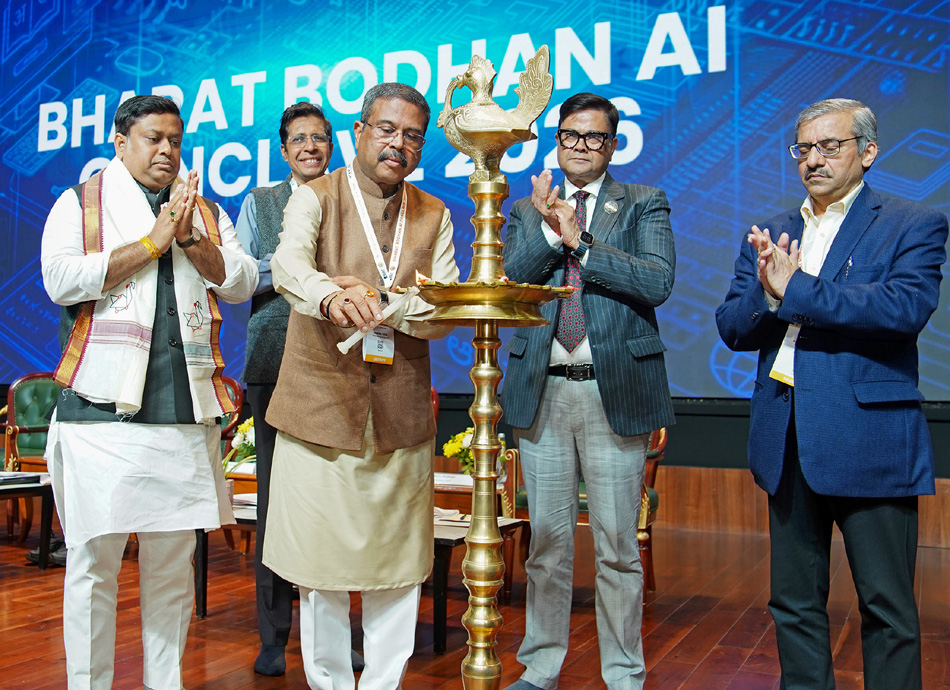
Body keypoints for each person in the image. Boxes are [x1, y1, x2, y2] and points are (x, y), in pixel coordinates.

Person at [716, 98, 948, 690]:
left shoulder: (911, 222)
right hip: (786, 435)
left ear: (868, 153)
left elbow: (903, 308)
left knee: (886, 607)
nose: (813, 159)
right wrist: (767, 293)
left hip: (868, 437)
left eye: (829, 146)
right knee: (793, 603)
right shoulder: (773, 231)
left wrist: (795, 289)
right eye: (804, 148)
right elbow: (733, 328)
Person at [40, 94, 257, 690]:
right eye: (153, 138)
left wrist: (190, 241)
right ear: (120, 142)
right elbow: (60, 280)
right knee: (93, 566)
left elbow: (241, 281)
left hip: (182, 414)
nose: (167, 151)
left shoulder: (203, 211)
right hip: (99, 414)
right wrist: (152, 242)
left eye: (175, 141)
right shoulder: (79, 202)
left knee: (171, 568)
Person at [262, 82, 459, 689]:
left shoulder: (435, 213)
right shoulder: (316, 197)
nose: (398, 144)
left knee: (397, 570)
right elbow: (289, 266)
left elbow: (444, 307)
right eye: (387, 129)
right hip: (320, 409)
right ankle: (326, 682)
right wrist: (328, 295)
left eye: (412, 136)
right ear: (359, 132)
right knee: (318, 570)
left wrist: (387, 304)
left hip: (399, 414)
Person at [501, 92, 676, 690]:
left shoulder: (644, 202)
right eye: (571, 135)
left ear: (612, 144)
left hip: (613, 390)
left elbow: (656, 281)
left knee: (617, 547)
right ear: (557, 140)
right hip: (542, 390)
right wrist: (552, 234)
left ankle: (623, 674)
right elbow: (511, 280)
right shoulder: (526, 208)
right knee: (546, 545)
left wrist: (582, 243)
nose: (581, 146)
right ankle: (540, 667)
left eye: (594, 136)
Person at [235, 101, 353, 677]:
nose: (310, 147)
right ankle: (274, 636)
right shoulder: (258, 202)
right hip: (274, 363)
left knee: (338, 502)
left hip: (340, 364)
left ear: (332, 146)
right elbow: (238, 277)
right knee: (273, 503)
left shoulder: (351, 198)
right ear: (284, 150)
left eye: (319, 139)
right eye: (299, 139)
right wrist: (297, 269)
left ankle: (336, 635)